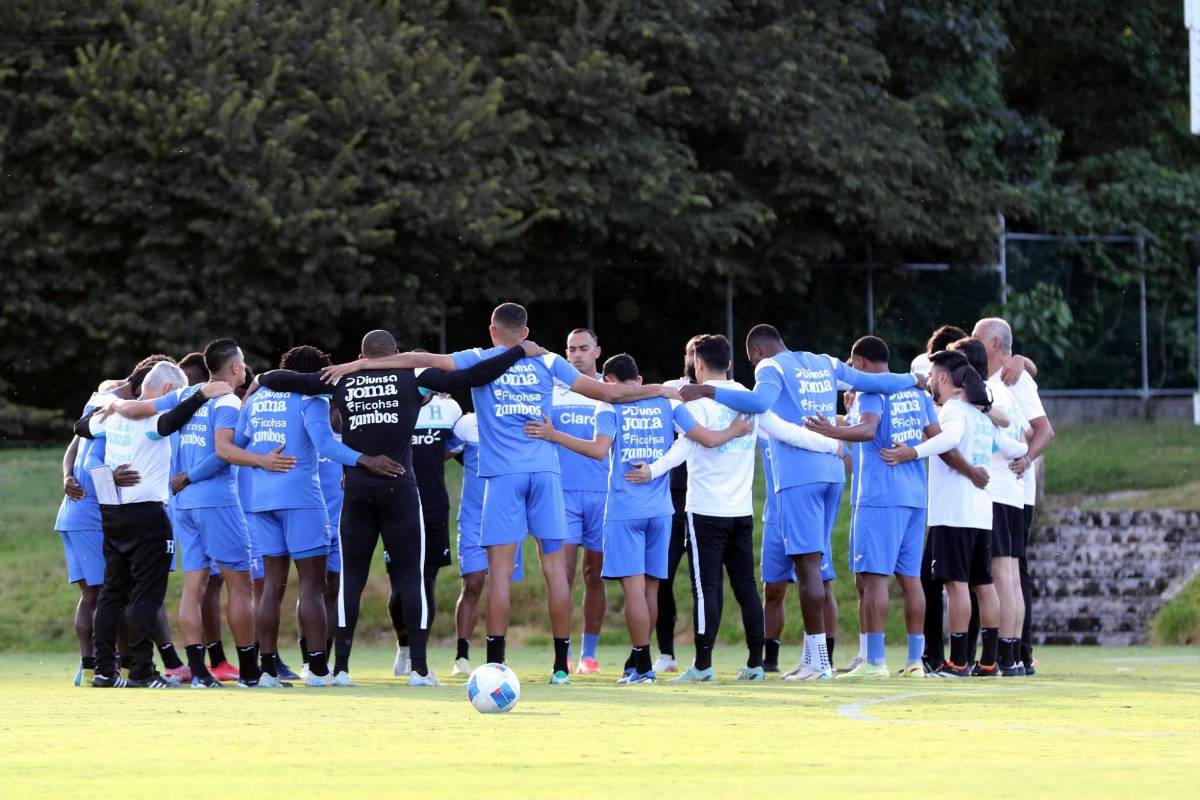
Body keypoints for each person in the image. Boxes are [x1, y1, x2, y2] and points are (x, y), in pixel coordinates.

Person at [345, 303, 680, 684]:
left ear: (492, 331)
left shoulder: (478, 357)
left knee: (499, 576)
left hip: (502, 478)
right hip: (545, 476)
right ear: (525, 332)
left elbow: (421, 359)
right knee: (557, 573)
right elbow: (609, 393)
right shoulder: (549, 361)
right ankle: (560, 668)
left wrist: (361, 365)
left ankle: (494, 664)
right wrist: (663, 390)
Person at [258, 329, 536, 686]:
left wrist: (263, 378)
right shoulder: (414, 376)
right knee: (411, 579)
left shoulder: (341, 379)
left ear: (362, 354)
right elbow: (473, 376)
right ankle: (418, 669)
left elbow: (281, 379)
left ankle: (341, 670)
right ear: (396, 353)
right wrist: (517, 353)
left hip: (356, 491)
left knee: (350, 582)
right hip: (400, 489)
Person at [682, 324, 920, 679]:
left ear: (758, 352)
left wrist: (706, 390)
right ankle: (813, 658)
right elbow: (876, 382)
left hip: (798, 476)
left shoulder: (770, 368)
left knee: (807, 567)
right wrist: (914, 380)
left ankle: (818, 662)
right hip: (831, 475)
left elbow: (760, 402)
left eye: (751, 361)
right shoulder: (824, 361)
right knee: (816, 567)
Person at [526, 351, 754, 683]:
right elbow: (705, 439)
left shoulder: (608, 406)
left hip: (624, 510)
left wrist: (553, 434)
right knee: (650, 591)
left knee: (633, 591)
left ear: (608, 383)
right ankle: (637, 663)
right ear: (640, 380)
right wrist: (733, 431)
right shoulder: (667, 402)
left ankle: (644, 667)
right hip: (661, 510)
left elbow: (598, 450)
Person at [633, 335, 843, 682]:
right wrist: (833, 444)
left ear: (698, 364)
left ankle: (702, 665)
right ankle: (756, 663)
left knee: (706, 589)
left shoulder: (696, 405)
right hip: (741, 512)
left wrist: (652, 470)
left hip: (704, 512)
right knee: (746, 588)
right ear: (729, 363)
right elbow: (788, 433)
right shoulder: (750, 401)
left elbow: (683, 449)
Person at [239, 345, 391, 687]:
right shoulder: (310, 400)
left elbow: (234, 445)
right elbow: (326, 446)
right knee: (312, 584)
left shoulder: (255, 401)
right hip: (301, 498)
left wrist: (261, 461)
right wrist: (366, 459)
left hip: (261, 499)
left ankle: (266, 671)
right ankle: (319, 670)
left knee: (269, 588)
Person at [75, 361, 230, 687]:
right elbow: (174, 418)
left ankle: (105, 672)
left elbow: (80, 427)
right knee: (146, 596)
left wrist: (113, 406)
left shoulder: (112, 416)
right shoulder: (153, 418)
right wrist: (201, 395)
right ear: (168, 390)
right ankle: (143, 672)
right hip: (146, 514)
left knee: (112, 594)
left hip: (112, 514)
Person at [881, 349, 1028, 677]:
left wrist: (912, 452)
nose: (930, 382)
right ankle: (989, 662)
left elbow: (948, 440)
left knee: (957, 586)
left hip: (953, 513)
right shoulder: (981, 416)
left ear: (944, 379)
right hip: (981, 512)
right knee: (983, 585)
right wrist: (1025, 455)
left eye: (933, 376)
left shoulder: (954, 412)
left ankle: (958, 662)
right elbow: (1011, 447)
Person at [804, 336, 939, 678]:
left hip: (879, 496)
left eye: (852, 362)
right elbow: (934, 434)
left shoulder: (872, 392)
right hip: (914, 495)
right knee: (910, 580)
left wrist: (828, 429)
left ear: (861, 363)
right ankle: (914, 660)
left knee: (872, 577)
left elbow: (867, 430)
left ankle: (875, 661)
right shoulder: (917, 392)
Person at [973, 317, 1054, 674]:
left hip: (1011, 489)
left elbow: (1044, 429)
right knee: (1008, 569)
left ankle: (1016, 651)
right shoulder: (996, 377)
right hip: (1010, 486)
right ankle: (1014, 653)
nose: (972, 343)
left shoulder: (1013, 378)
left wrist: (1026, 459)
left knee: (1009, 570)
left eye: (977, 339)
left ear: (992, 344)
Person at [390, 378, 462, 677]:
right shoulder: (391, 405)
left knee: (426, 582)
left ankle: (419, 653)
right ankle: (404, 644)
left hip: (433, 506)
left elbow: (455, 449)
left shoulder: (449, 408)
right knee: (399, 588)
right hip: (395, 505)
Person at [445, 412, 525, 677]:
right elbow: (442, 452)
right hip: (473, 518)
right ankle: (462, 655)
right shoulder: (468, 423)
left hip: (507, 518)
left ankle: (497, 655)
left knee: (501, 584)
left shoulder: (518, 418)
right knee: (474, 582)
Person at [551, 328, 609, 674]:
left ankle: (590, 655)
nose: (576, 355)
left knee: (595, 575)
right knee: (564, 575)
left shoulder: (608, 390)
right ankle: (564, 653)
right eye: (571, 349)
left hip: (602, 495)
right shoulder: (554, 391)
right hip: (563, 495)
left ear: (597, 351)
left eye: (583, 348)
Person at [654, 335, 702, 674]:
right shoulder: (672, 390)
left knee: (703, 581)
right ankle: (666, 653)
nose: (693, 358)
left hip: (707, 496)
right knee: (662, 576)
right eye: (689, 351)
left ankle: (705, 654)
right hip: (673, 495)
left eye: (698, 353)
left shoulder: (725, 394)